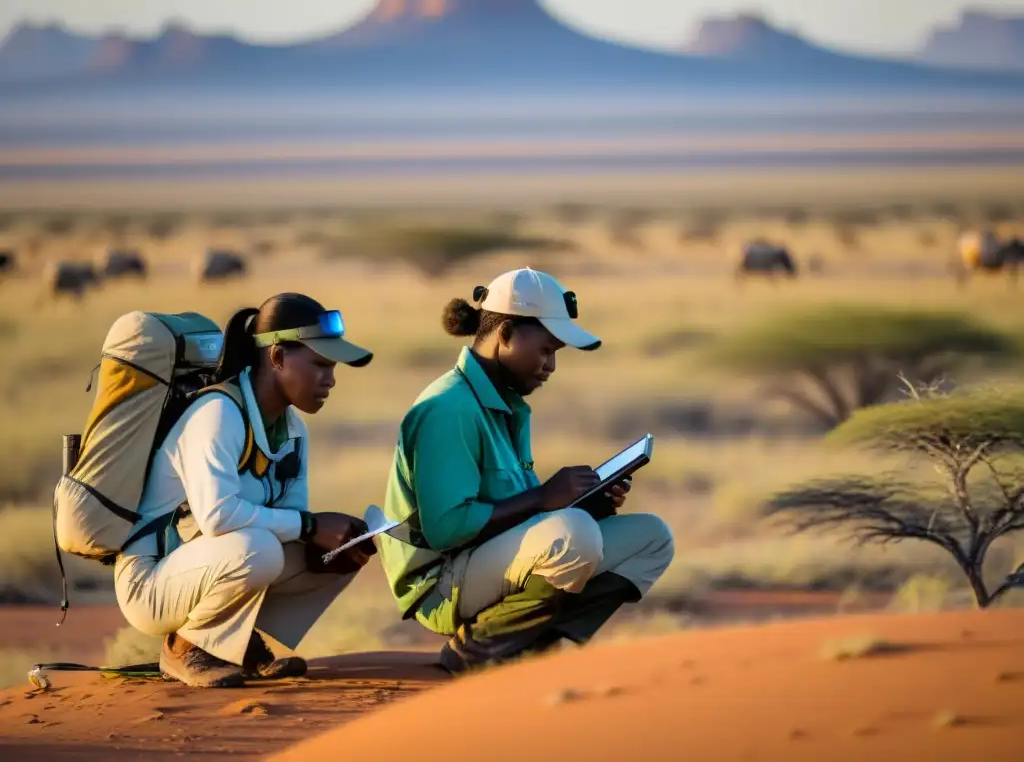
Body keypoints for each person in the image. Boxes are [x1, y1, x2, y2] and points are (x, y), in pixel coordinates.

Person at [377, 267, 675, 674]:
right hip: (442, 583)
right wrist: (543, 498)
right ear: (505, 335)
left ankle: (537, 647)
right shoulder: (448, 409)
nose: (551, 365)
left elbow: (521, 522)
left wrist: (587, 505)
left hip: (488, 561)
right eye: (546, 350)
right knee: (575, 536)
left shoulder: (509, 403)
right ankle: (477, 650)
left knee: (652, 538)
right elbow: (446, 530)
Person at [114, 293, 378, 688]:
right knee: (262, 549)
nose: (330, 379)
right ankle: (186, 648)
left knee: (336, 552)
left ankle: (234, 641)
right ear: (276, 358)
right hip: (150, 583)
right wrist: (309, 526)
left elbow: (290, 523)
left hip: (207, 567)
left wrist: (329, 542)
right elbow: (219, 517)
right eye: (320, 364)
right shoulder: (218, 412)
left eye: (333, 367)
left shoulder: (293, 430)